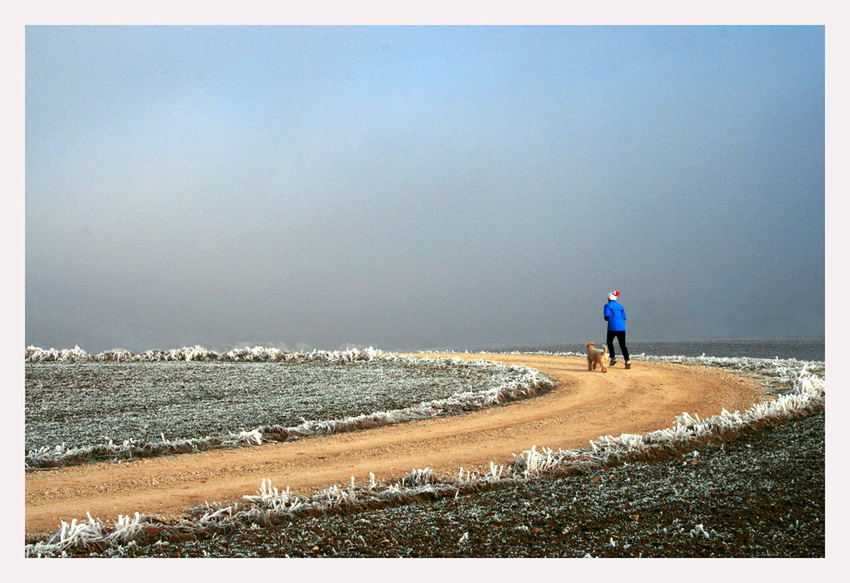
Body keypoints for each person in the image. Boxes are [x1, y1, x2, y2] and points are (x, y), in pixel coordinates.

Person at [603, 290, 630, 369]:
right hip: (622, 327)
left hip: (612, 327)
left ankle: (613, 357)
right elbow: (624, 317)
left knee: (609, 342)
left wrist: (610, 319)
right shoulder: (621, 306)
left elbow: (606, 316)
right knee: (622, 345)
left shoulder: (607, 305)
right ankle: (627, 360)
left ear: (609, 298)